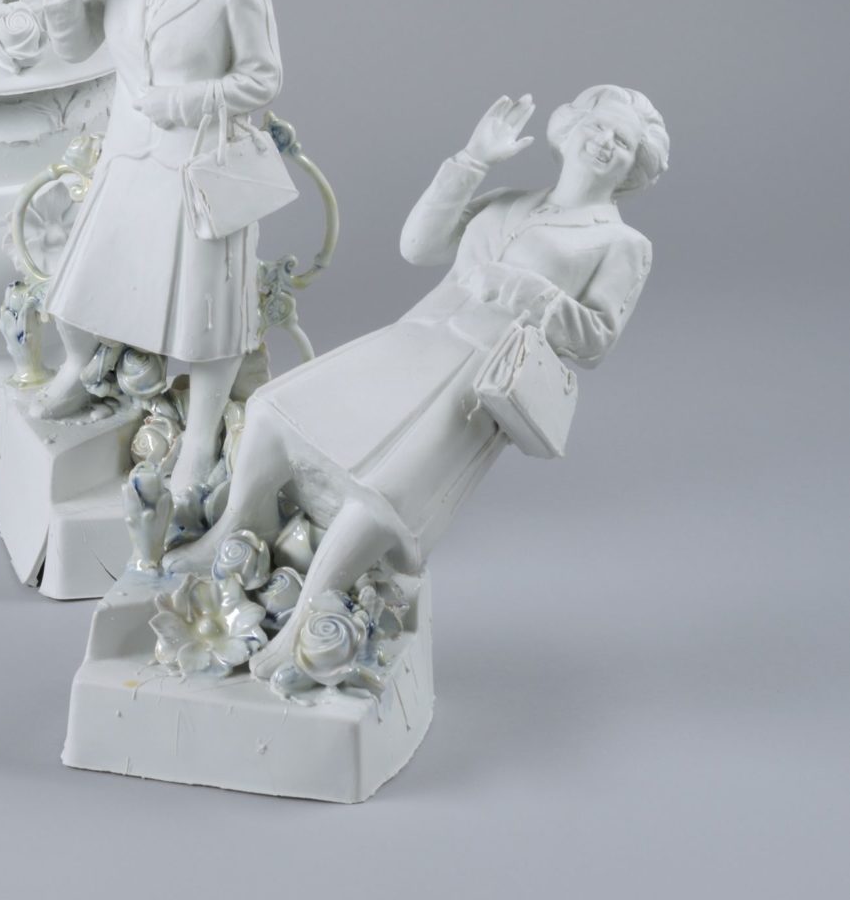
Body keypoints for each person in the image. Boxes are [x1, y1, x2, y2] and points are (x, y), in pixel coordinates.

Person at [171, 83, 666, 677]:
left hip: (474, 379)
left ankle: (303, 624)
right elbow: (418, 246)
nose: (605, 143)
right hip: (414, 341)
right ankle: (231, 529)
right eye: (599, 126)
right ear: (571, 128)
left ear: (633, 167)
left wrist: (523, 289)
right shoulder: (509, 200)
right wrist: (473, 160)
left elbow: (595, 338)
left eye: (623, 142)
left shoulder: (622, 243)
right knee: (275, 411)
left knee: (380, 496)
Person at [26, 0, 293, 505]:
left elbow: (262, 79)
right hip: (128, 154)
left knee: (206, 316)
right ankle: (82, 368)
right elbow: (75, 47)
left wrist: (183, 102)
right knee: (77, 288)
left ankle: (200, 436)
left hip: (197, 167)